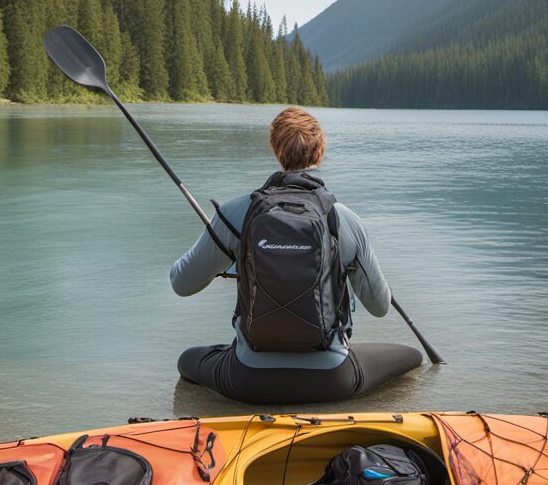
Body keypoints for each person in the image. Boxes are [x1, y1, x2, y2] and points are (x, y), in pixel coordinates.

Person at [170, 106, 422, 404]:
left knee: (188, 359)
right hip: (332, 381)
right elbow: (380, 307)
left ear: (276, 149)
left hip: (248, 380)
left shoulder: (235, 214)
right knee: (412, 356)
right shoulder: (344, 219)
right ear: (319, 153)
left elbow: (181, 284)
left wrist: (226, 254)